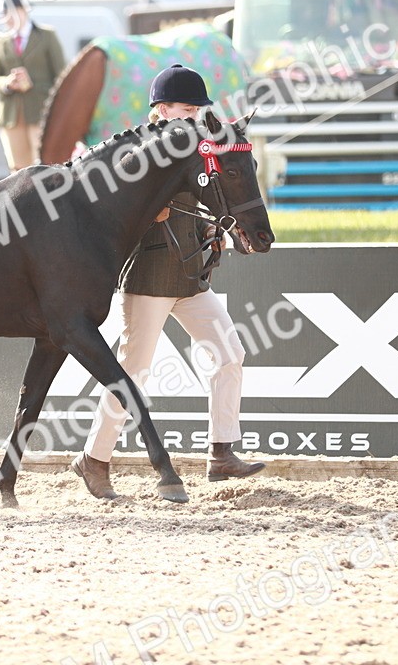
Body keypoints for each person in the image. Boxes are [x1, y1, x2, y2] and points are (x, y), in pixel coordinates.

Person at [71, 63, 265, 502]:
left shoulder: (200, 149)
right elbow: (113, 217)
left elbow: (208, 199)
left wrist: (217, 229)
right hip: (148, 276)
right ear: (161, 110)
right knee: (132, 372)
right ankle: (94, 459)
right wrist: (147, 212)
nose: (195, 115)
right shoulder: (137, 151)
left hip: (190, 278)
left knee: (229, 354)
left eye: (198, 110)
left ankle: (221, 451)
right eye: (186, 109)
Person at [0, 0, 67, 172]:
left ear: (24, 11)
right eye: (5, 14)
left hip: (41, 112)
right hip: (11, 116)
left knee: (44, 166)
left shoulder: (46, 35)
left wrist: (33, 85)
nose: (8, 18)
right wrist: (7, 83)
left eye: (13, 12)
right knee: (18, 170)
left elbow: (62, 76)